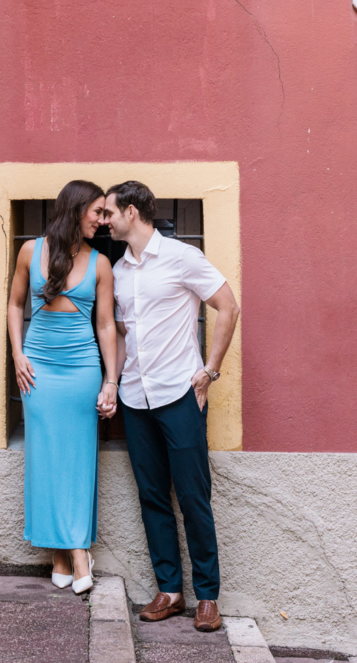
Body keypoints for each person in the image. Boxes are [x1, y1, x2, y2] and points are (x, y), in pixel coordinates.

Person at [99, 181, 240, 634]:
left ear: (133, 212)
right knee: (152, 496)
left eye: (111, 213)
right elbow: (123, 336)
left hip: (180, 394)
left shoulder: (181, 257)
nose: (105, 220)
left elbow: (227, 306)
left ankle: (208, 596)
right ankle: (170, 590)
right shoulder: (119, 271)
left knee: (194, 497)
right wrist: (113, 383)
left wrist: (211, 370)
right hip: (135, 397)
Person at [7, 180, 119, 593]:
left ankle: (71, 551)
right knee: (45, 458)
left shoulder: (100, 263)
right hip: (38, 371)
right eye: (98, 212)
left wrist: (111, 380)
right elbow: (15, 304)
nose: (103, 221)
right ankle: (68, 552)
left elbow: (106, 325)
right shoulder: (29, 251)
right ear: (76, 211)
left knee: (77, 458)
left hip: (81, 369)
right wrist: (18, 355)